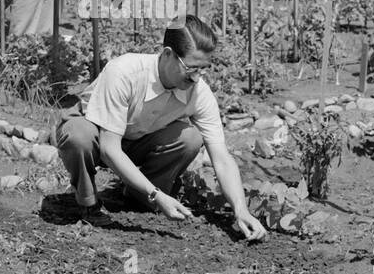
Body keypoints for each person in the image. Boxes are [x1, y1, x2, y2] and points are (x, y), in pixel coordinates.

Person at [55, 15, 267, 240]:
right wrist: (157, 195)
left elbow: (222, 158)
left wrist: (240, 209)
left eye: (203, 69)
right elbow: (109, 148)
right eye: (191, 68)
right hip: (98, 135)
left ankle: (139, 197)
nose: (197, 77)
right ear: (168, 54)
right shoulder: (124, 72)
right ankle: (87, 203)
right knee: (78, 136)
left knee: (190, 138)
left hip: (136, 139)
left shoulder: (198, 93)